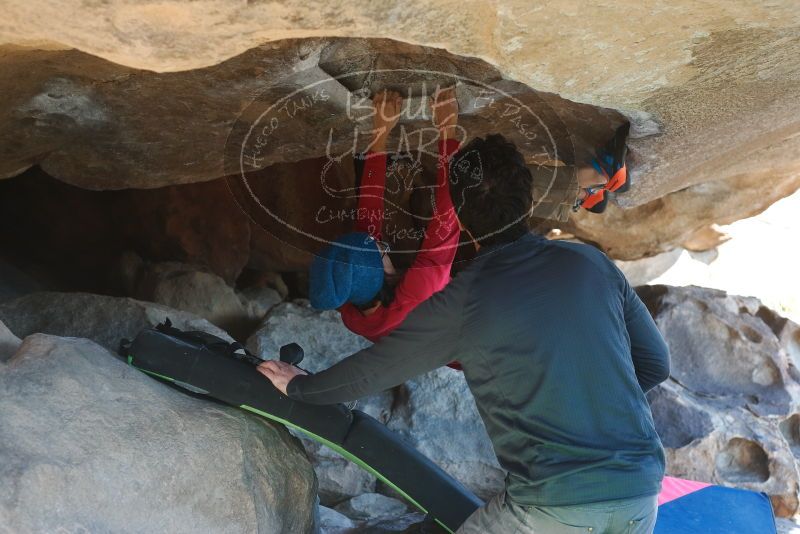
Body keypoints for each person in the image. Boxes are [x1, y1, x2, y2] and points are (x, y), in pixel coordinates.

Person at [259, 133, 670, 533]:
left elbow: (376, 371)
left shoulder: (464, 300)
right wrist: (590, 393)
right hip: (640, 492)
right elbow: (655, 364)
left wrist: (300, 388)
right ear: (528, 202)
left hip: (551, 504)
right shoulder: (590, 263)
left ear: (463, 222)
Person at [309, 87, 463, 369]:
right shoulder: (419, 295)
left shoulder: (351, 300)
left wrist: (380, 133)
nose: (378, 241)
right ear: (385, 272)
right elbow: (448, 217)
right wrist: (447, 130)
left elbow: (367, 219)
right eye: (381, 249)